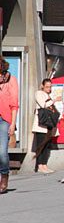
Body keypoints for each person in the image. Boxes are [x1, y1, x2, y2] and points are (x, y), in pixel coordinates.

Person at [0, 56, 20, 194]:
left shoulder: (11, 80)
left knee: (2, 152)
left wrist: (13, 124)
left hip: (4, 119)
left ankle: (4, 175)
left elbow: (14, 104)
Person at [32, 78, 58, 174]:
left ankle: (44, 164)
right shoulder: (39, 93)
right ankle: (39, 165)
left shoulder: (49, 95)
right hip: (41, 123)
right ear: (42, 86)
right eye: (47, 86)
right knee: (41, 144)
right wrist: (54, 100)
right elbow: (43, 105)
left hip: (49, 124)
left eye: (50, 87)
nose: (49, 89)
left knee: (47, 145)